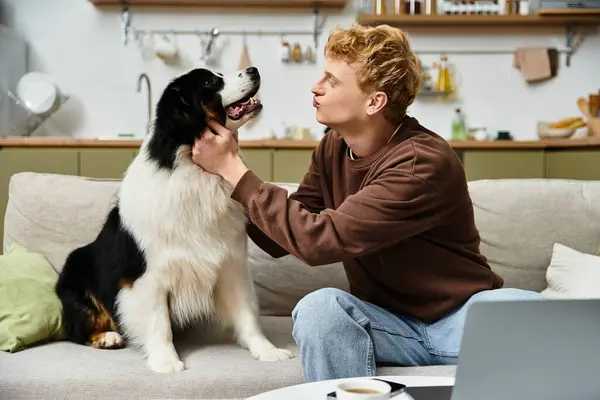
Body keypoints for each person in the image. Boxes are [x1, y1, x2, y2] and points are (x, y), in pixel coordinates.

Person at [191, 23, 543, 382]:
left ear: (374, 101)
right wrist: (222, 171)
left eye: (331, 80)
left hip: (460, 320)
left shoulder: (421, 162)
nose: (316, 86)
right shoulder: (333, 147)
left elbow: (318, 241)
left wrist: (234, 169)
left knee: (534, 312)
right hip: (386, 324)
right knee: (319, 309)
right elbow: (282, 238)